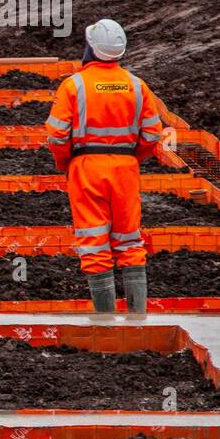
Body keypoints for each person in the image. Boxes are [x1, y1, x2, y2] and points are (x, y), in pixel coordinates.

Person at [45, 19, 164, 317]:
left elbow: (57, 134)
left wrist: (66, 163)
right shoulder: (138, 86)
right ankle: (138, 317)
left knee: (93, 241)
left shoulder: (73, 86)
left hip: (86, 167)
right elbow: (152, 134)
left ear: (90, 48)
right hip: (125, 167)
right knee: (130, 239)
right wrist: (131, 159)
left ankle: (106, 320)